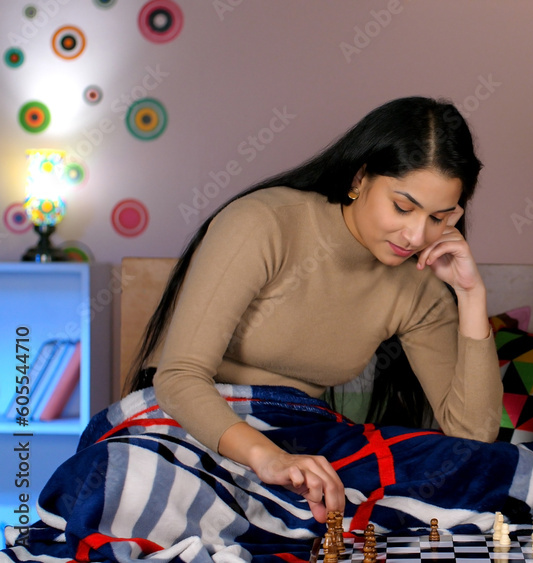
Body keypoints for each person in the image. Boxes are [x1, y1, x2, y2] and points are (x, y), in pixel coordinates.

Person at [125, 96, 502, 523]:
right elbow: (177, 378)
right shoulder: (264, 224)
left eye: (439, 217)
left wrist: (471, 296)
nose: (416, 234)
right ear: (360, 178)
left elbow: (472, 436)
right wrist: (267, 458)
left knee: (493, 473)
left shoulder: (421, 286)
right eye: (402, 206)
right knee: (132, 488)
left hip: (306, 438)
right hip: (192, 424)